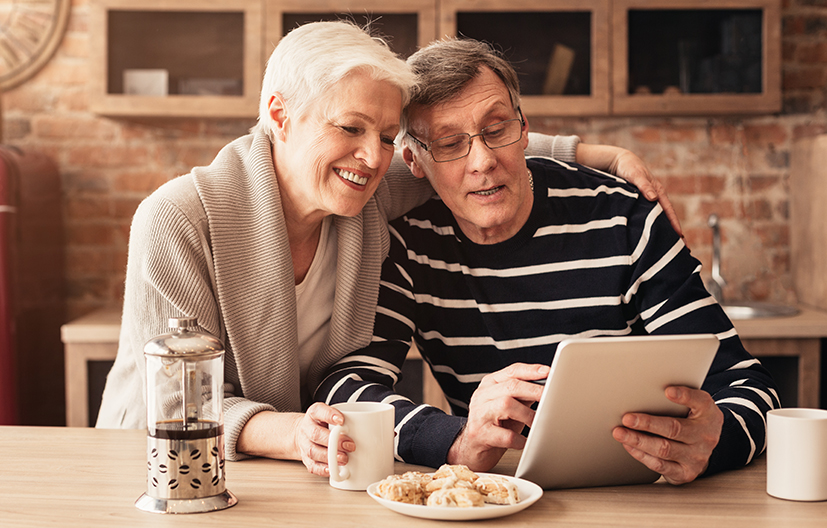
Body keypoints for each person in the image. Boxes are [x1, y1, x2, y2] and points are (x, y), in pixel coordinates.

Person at [96, 21, 676, 477]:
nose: (371, 158)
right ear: (280, 115)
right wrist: (290, 431)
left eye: (385, 136)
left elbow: (469, 149)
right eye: (349, 128)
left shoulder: (367, 189)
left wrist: (597, 154)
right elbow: (171, 402)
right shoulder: (178, 217)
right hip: (166, 467)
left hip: (308, 465)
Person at [315, 38, 779, 485]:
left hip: (642, 494)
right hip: (500, 498)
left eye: (496, 130)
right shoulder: (409, 244)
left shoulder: (623, 217)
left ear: (524, 130)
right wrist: (456, 440)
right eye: (449, 143)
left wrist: (713, 441)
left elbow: (750, 387)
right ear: (414, 162)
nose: (482, 161)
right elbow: (347, 388)